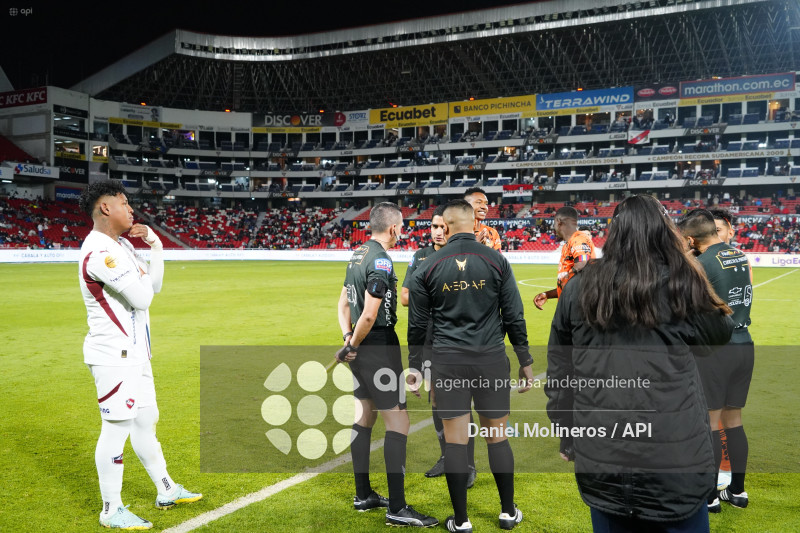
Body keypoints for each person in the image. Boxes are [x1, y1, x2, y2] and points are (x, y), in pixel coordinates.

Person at [546, 194, 734, 533]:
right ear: (665, 233)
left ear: (613, 234)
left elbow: (561, 371)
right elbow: (719, 336)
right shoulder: (681, 282)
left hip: (604, 459)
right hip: (675, 463)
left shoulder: (579, 287)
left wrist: (566, 432)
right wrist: (686, 263)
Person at [78, 180, 201, 530]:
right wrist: (142, 282)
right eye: (124, 203)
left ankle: (166, 490)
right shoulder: (100, 251)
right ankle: (111, 509)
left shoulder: (122, 247)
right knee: (115, 430)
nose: (131, 210)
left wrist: (156, 246)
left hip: (136, 354)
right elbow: (144, 299)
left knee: (146, 420)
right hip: (113, 356)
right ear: (106, 209)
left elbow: (154, 286)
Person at [407, 199, 535, 533]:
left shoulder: (427, 267)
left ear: (445, 227)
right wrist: (525, 360)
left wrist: (415, 368)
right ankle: (508, 513)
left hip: (448, 364)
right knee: (497, 437)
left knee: (455, 443)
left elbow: (418, 327)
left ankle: (461, 521)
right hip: (490, 360)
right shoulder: (497, 261)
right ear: (474, 225)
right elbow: (514, 315)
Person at [335, 202, 438, 528]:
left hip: (360, 347)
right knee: (399, 422)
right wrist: (355, 341)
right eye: (402, 226)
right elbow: (368, 312)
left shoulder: (357, 254)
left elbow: (342, 304)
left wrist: (348, 339)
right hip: (378, 346)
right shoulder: (380, 259)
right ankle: (397, 507)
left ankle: (363, 494)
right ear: (393, 228)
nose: (403, 231)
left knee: (364, 416)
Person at [678, 209, 754, 512]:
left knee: (709, 422)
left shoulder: (700, 263)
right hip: (744, 343)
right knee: (734, 420)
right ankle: (737, 491)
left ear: (692, 239)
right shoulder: (738, 256)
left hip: (716, 349)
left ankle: (709, 496)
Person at [399, 206, 476, 487]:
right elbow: (405, 297)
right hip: (429, 339)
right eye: (434, 227)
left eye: (444, 226)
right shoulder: (420, 256)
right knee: (435, 399)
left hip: (454, 339)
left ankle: (468, 463)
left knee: (460, 402)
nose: (439, 231)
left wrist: (428, 293)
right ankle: (447, 457)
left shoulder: (460, 255)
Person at [534, 206, 596, 310]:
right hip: (569, 308)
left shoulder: (579, 238)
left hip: (578, 310)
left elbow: (582, 264)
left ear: (558, 221)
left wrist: (564, 280)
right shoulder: (569, 244)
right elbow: (569, 284)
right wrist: (547, 294)